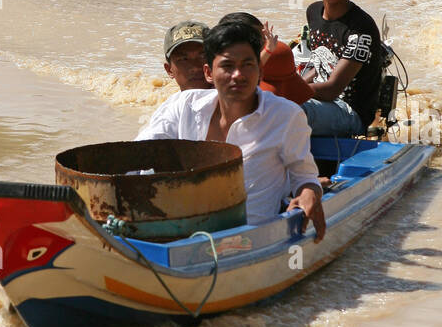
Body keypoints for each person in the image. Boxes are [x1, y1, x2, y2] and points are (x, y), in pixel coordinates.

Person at [137, 19, 325, 236]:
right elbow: (138, 155)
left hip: (250, 238)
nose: (238, 75)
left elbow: (304, 175)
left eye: (247, 65)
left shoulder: (286, 116)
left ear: (260, 70)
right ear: (209, 73)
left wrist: (310, 191)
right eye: (227, 66)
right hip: (184, 232)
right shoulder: (182, 106)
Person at [300, 0, 381, 138]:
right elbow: (318, 65)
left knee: (291, 111)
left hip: (351, 113)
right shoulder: (313, 12)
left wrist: (288, 91)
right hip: (323, 103)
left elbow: (332, 89)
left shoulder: (362, 28)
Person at [216, 11, 313, 105]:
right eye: (258, 40)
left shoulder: (276, 52)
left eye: (263, 39)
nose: (264, 43)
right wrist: (268, 50)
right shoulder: (274, 51)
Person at [162, 19, 211, 91]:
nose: (195, 68)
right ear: (169, 70)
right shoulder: (172, 102)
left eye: (203, 57)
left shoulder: (230, 98)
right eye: (183, 59)